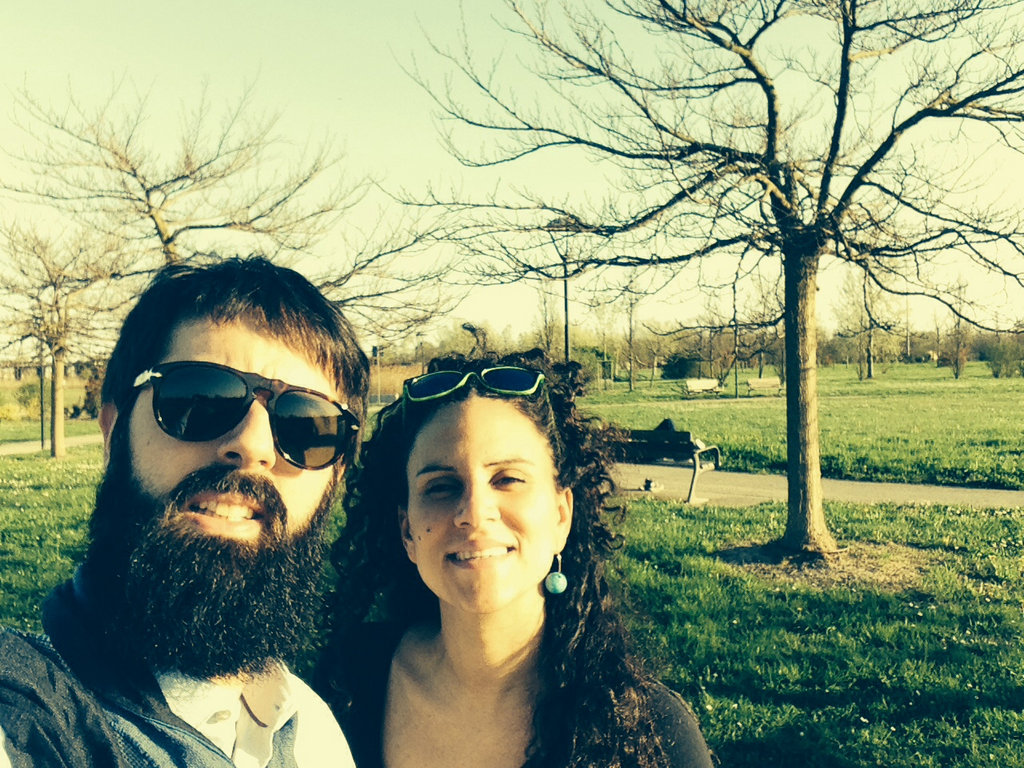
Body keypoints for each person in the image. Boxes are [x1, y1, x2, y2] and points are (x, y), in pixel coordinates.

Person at [0, 257, 369, 768]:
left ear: (335, 479)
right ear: (113, 432)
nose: (253, 445)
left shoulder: (310, 726)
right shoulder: (27, 714)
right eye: (200, 397)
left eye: (306, 425)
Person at [316, 350, 715, 768]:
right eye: (441, 486)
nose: (474, 512)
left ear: (561, 516)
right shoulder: (348, 684)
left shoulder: (649, 733)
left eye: (508, 479)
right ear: (407, 532)